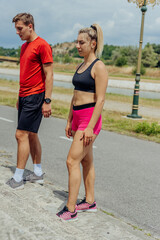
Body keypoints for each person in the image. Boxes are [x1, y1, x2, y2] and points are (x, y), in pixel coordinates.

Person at [56, 24, 108, 221]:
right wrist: (69, 120)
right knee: (86, 160)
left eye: (82, 42)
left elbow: (100, 100)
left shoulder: (99, 67)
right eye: (77, 42)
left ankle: (71, 208)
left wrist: (89, 127)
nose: (77, 45)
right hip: (77, 116)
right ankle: (90, 201)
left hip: (89, 118)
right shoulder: (81, 65)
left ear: (93, 44)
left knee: (71, 161)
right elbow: (75, 95)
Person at [6, 13, 53, 189]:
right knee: (31, 134)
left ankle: (18, 178)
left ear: (30, 26)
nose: (18, 33)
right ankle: (38, 173)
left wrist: (47, 100)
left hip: (36, 96)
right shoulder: (25, 47)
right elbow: (25, 74)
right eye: (16, 29)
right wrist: (20, 96)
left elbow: (49, 75)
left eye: (20, 29)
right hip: (25, 96)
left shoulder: (42, 45)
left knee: (20, 135)